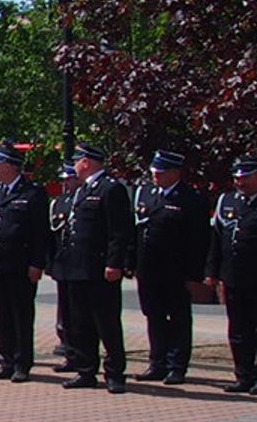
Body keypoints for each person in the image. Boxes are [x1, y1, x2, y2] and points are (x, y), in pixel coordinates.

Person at [53, 144, 135, 393]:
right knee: (81, 323)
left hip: (99, 268)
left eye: (77, 161)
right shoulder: (81, 190)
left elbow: (119, 232)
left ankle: (115, 374)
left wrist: (114, 263)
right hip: (77, 267)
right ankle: (86, 370)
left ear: (87, 162)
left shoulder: (111, 189)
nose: (75, 166)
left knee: (106, 322)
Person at [132, 149, 210, 386]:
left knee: (178, 319)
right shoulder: (146, 194)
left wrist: (193, 275)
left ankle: (177, 366)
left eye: (162, 172)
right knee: (153, 316)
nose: (157, 176)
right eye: (155, 172)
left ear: (175, 173)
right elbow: (136, 232)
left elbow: (198, 240)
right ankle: (157, 363)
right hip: (148, 269)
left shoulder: (190, 199)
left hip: (176, 271)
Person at [0, 145, 49, 382]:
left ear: (10, 165)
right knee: (1, 315)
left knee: (21, 315)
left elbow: (40, 232)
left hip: (21, 264)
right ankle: (7, 359)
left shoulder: (32, 193)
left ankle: (22, 362)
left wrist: (37, 263)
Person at [205, 158, 257, 394]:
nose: (240, 182)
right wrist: (212, 272)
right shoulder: (227, 200)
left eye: (246, 177)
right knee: (238, 330)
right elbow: (216, 240)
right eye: (237, 178)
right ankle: (243, 376)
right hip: (233, 278)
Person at [49, 164, 82, 372]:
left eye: (69, 180)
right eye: (64, 180)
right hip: (63, 264)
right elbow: (53, 236)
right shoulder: (59, 203)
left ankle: (82, 354)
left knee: (81, 315)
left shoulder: (82, 200)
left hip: (80, 265)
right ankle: (70, 353)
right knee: (66, 314)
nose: (65, 184)